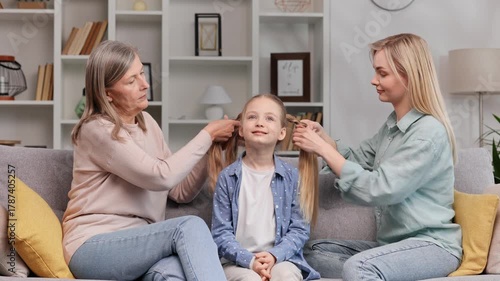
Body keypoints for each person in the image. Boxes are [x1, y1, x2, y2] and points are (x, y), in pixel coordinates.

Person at [62, 40, 239, 281]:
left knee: (171, 274)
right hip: (92, 246)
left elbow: (178, 190)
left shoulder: (147, 123)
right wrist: (207, 135)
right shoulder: (97, 130)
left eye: (142, 73)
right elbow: (160, 175)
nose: (145, 85)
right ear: (107, 94)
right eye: (131, 81)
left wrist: (213, 147)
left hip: (141, 245)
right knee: (189, 226)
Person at [292, 33, 462, 280]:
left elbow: (381, 188)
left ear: (408, 75)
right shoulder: (393, 126)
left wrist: (322, 149)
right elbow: (359, 158)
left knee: (358, 268)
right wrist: (326, 140)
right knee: (311, 252)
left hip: (432, 247)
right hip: (393, 246)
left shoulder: (428, 133)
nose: (374, 80)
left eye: (382, 73)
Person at [209, 94, 321, 281]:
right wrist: (250, 261)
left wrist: (274, 256)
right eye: (252, 117)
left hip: (280, 259)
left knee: (286, 275)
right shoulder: (227, 177)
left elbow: (300, 230)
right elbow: (220, 233)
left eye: (269, 118)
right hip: (236, 262)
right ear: (242, 130)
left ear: (282, 133)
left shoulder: (292, 177)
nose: (260, 123)